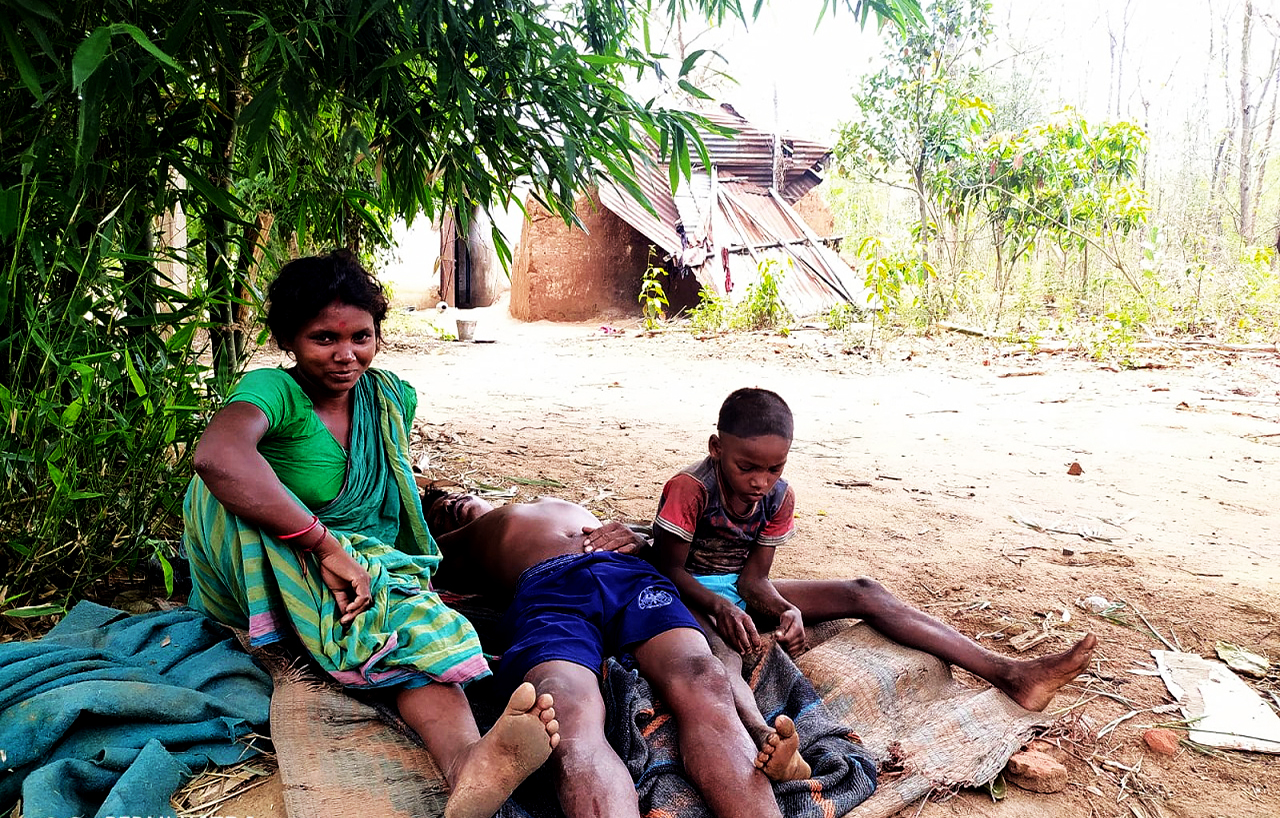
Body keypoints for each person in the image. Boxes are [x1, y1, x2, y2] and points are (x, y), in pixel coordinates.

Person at [182, 250, 558, 818]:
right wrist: (324, 545)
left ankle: (469, 766)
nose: (346, 354)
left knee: (404, 617)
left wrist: (372, 559)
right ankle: (463, 756)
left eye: (361, 336)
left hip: (361, 560)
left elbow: (389, 501)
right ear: (288, 340)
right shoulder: (273, 391)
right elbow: (216, 457)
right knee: (242, 497)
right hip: (271, 564)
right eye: (324, 338)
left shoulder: (387, 399)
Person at [632, 387, 1097, 741]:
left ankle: (1009, 673)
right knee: (724, 653)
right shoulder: (690, 488)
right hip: (680, 590)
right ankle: (762, 734)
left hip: (735, 586)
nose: (760, 481)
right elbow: (668, 569)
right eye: (747, 467)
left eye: (774, 468)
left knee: (865, 591)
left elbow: (754, 579)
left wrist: (784, 609)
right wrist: (719, 607)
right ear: (717, 448)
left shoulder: (779, 495)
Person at [422, 490, 791, 818]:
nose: (453, 505)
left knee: (704, 678)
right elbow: (419, 563)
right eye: (441, 513)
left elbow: (666, 549)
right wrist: (441, 538)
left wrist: (640, 544)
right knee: (563, 709)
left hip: (628, 574)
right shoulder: (461, 543)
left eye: (455, 497)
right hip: (550, 593)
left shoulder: (546, 503)